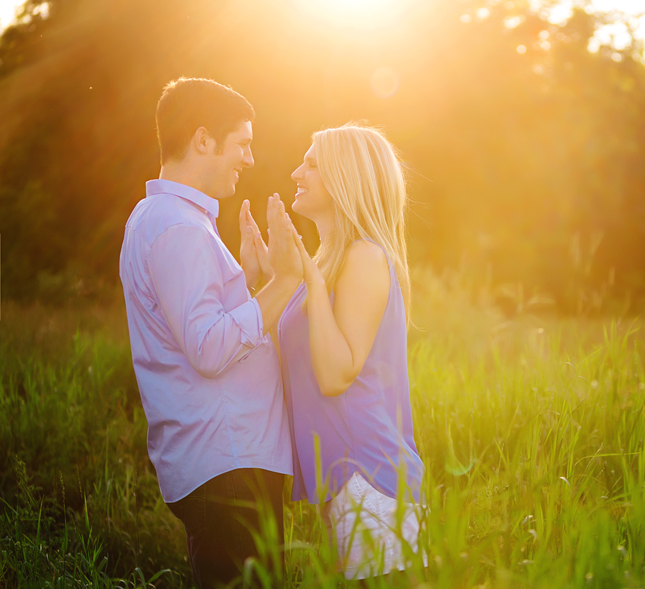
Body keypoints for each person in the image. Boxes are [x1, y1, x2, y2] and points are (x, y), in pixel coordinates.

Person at [119, 77, 305, 588]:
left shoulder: (163, 219)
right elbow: (207, 348)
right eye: (242, 143)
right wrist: (286, 280)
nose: (249, 157)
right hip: (228, 464)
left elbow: (193, 324)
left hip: (227, 461)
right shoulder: (178, 227)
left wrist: (245, 283)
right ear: (203, 140)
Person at [278, 123, 427, 581]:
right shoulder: (328, 259)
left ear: (345, 178)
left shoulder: (363, 256)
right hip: (343, 480)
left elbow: (335, 375)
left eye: (311, 163)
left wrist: (313, 283)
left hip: (370, 476)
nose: (295, 172)